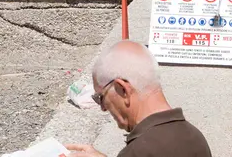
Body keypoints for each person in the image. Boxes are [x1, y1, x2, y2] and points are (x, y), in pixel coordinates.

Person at [66, 41, 212, 157]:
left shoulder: (141, 150)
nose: (103, 108)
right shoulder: (193, 137)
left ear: (122, 89)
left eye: (101, 97)